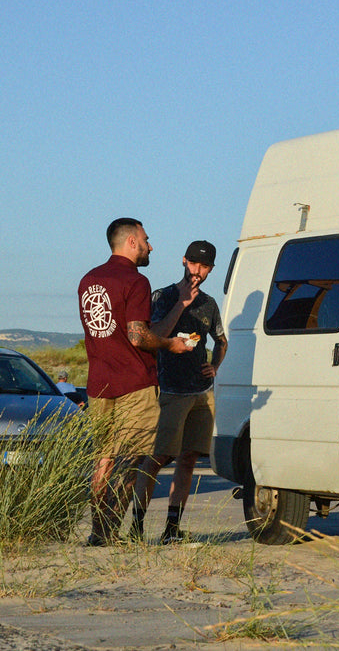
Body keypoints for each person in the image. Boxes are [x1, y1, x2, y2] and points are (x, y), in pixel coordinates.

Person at [78, 218, 190, 547]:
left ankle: (98, 531)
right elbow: (138, 336)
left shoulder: (88, 280)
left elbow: (108, 330)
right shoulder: (135, 281)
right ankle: (111, 531)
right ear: (130, 242)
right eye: (145, 239)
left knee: (104, 458)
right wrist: (172, 344)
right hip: (134, 382)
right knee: (132, 459)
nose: (150, 246)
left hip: (99, 381)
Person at [130, 240, 227, 543]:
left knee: (188, 459)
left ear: (211, 268)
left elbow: (221, 340)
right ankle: (136, 526)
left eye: (205, 266)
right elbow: (155, 333)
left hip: (200, 392)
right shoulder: (164, 295)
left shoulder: (210, 303)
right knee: (157, 458)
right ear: (183, 261)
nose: (198, 271)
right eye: (194, 264)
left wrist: (215, 366)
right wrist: (182, 303)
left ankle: (172, 530)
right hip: (169, 390)